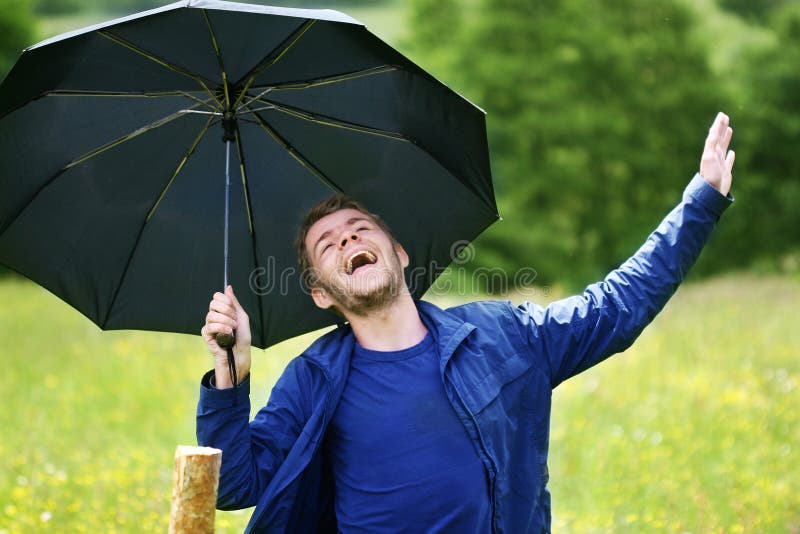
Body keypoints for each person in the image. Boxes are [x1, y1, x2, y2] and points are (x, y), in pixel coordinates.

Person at [197, 112, 735, 533]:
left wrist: (701, 202)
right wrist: (231, 376)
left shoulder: (503, 337)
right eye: (328, 244)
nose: (348, 240)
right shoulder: (312, 380)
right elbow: (233, 485)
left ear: (400, 253)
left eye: (359, 228)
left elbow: (616, 306)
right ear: (320, 293)